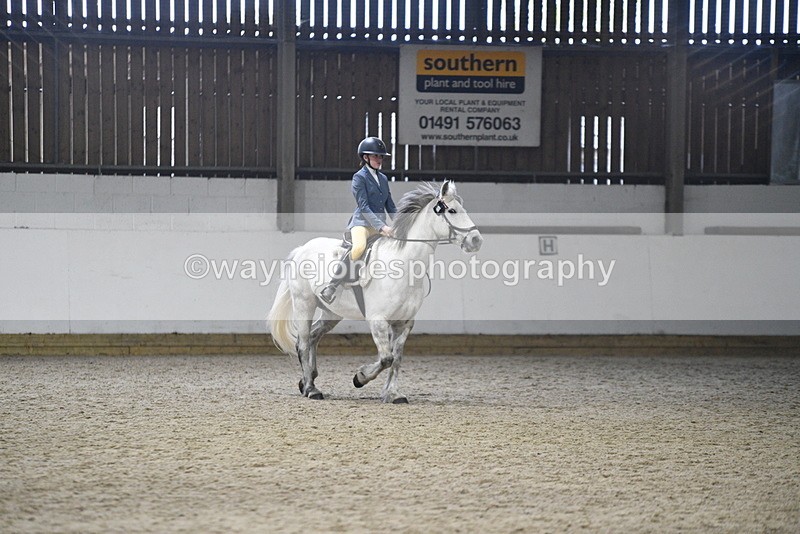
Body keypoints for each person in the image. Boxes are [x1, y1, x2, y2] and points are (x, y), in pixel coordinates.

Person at [319, 137, 397, 304]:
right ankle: (332, 286)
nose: (379, 159)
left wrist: (399, 224)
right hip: (362, 223)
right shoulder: (359, 178)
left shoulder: (383, 178)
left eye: (381, 156)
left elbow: (389, 204)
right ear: (365, 157)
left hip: (380, 225)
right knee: (359, 247)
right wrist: (382, 227)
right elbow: (363, 206)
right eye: (375, 156)